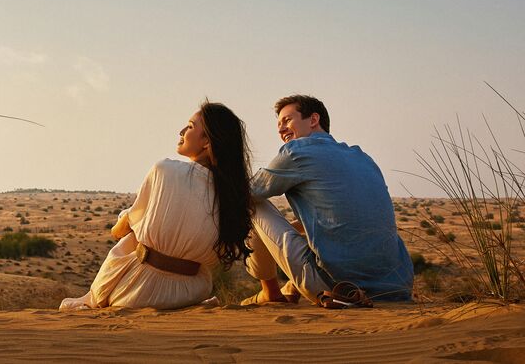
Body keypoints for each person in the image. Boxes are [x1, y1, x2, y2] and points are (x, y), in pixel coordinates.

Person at [59, 101, 253, 311]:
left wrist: (123, 222)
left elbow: (126, 227)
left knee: (131, 231)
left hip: (138, 291)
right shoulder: (232, 195)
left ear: (206, 141)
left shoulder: (165, 170)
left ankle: (94, 297)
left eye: (189, 126)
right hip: (193, 290)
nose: (181, 131)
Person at [243, 95, 413, 306]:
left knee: (252, 204)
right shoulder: (363, 158)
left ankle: (270, 291)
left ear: (314, 119)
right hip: (397, 287)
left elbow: (246, 192)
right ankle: (291, 286)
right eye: (278, 125)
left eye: (287, 120)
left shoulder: (297, 152)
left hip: (339, 290)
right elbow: (340, 219)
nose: (280, 129)